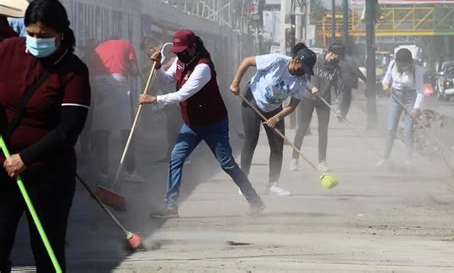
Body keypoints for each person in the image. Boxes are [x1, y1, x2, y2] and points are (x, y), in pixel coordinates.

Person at [0, 0, 90, 273]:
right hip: (4, 169)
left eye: (45, 36)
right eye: (31, 34)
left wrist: (25, 158)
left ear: (61, 34)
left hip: (49, 174)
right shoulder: (6, 50)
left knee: (46, 250)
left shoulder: (73, 70)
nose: (36, 40)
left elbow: (68, 129)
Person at [139, 29, 264, 218]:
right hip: (191, 122)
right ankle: (171, 206)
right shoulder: (181, 61)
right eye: (177, 51)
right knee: (175, 159)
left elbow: (183, 94)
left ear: (193, 47)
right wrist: (157, 67)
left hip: (213, 122)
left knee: (227, 163)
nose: (179, 54)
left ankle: (254, 200)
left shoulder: (203, 67)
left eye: (182, 50)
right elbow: (166, 79)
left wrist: (154, 99)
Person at [229, 44, 316, 196]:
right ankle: (243, 183)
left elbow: (292, 106)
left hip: (274, 108)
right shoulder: (277, 61)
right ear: (295, 60)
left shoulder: (301, 80)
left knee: (277, 145)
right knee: (251, 140)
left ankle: (273, 184)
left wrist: (276, 117)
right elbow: (247, 61)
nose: (302, 72)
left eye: (306, 70)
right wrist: (236, 82)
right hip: (253, 99)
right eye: (302, 68)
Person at [90, 36, 141, 182]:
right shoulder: (127, 44)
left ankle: (103, 172)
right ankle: (129, 172)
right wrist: (137, 73)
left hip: (98, 84)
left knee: (103, 131)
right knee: (127, 131)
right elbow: (133, 69)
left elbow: (91, 70)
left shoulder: (98, 48)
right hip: (118, 83)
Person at [290, 42, 344, 172]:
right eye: (337, 56)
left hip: (323, 101)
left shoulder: (337, 69)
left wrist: (339, 108)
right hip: (307, 98)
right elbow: (302, 77)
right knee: (302, 128)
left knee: (323, 131)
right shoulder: (315, 61)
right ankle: (294, 159)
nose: (338, 60)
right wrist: (311, 87)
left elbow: (340, 90)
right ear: (331, 53)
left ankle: (322, 162)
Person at [377, 48, 424, 167]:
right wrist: (386, 86)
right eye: (401, 64)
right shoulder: (392, 64)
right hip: (395, 96)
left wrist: (416, 108)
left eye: (405, 64)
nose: (403, 66)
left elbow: (420, 92)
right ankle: (385, 158)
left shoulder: (416, 70)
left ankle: (408, 160)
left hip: (410, 97)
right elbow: (386, 79)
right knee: (391, 129)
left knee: (408, 131)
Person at [338, 43, 366, 119]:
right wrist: (364, 79)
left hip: (340, 81)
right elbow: (355, 70)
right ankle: (342, 115)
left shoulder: (340, 58)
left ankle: (340, 114)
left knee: (341, 97)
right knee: (346, 100)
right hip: (347, 82)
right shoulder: (348, 59)